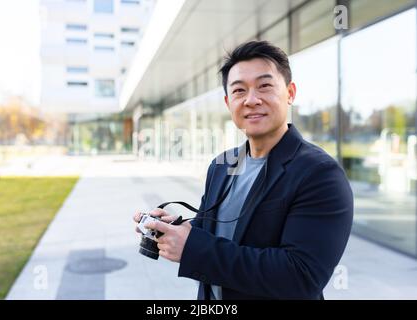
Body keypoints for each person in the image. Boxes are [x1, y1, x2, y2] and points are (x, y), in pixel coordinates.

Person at [134, 40, 353, 300]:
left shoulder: (320, 174)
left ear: (290, 93)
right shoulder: (222, 164)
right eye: (239, 91)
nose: (251, 100)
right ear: (228, 103)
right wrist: (174, 228)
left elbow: (300, 277)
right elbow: (212, 230)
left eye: (265, 86)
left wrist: (193, 248)